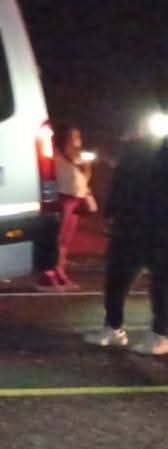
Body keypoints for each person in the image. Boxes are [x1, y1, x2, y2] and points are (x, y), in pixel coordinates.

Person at [84, 116, 168, 355]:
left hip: (160, 226)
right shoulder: (134, 150)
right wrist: (111, 211)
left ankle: (160, 333)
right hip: (130, 224)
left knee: (161, 281)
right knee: (117, 277)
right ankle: (113, 327)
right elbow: (120, 182)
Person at [37, 124, 97, 290]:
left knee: (65, 240)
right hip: (63, 198)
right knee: (57, 237)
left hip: (75, 198)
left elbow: (84, 179)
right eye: (74, 137)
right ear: (65, 139)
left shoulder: (77, 158)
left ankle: (60, 271)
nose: (78, 141)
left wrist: (86, 167)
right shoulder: (55, 155)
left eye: (79, 137)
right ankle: (48, 274)